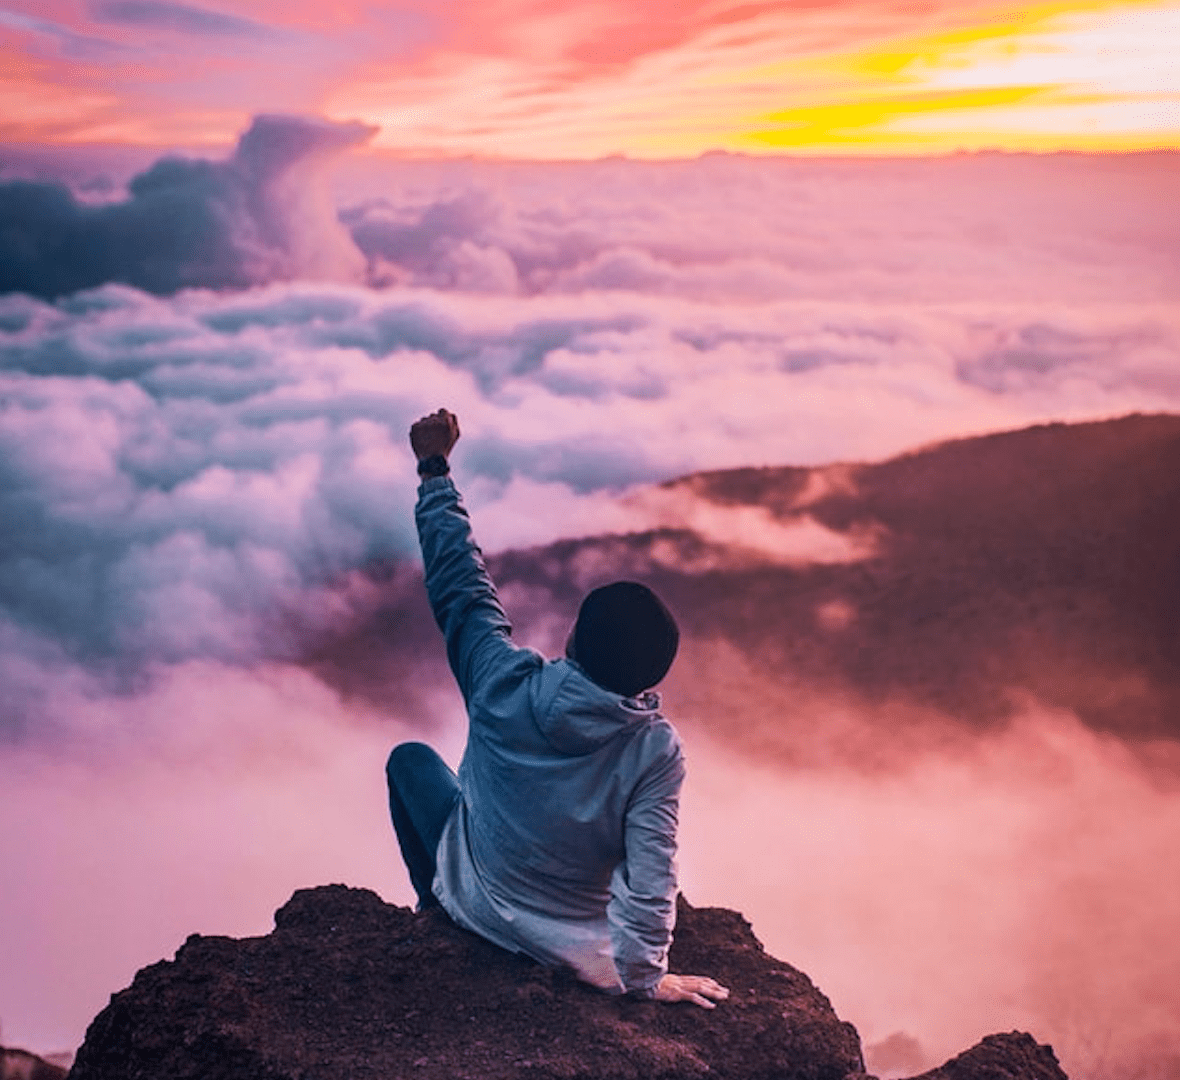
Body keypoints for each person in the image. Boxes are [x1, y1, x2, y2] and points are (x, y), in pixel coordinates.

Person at [386, 408, 729, 1009]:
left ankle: (435, 907)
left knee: (411, 761)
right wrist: (645, 978)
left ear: (574, 639)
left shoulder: (500, 680)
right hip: (575, 949)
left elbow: (461, 587)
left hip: (477, 903)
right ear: (651, 676)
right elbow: (653, 875)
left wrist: (434, 471)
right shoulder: (655, 750)